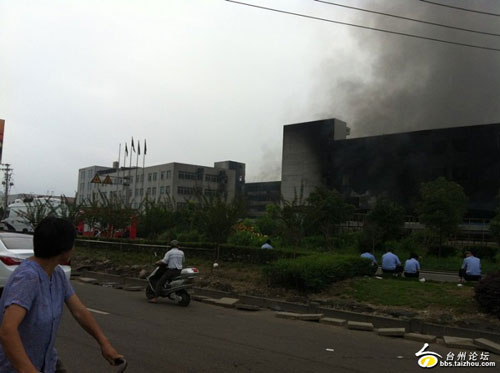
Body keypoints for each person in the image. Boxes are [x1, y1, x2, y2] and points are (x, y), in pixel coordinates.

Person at [0, 217, 123, 373]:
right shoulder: (28, 278)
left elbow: (79, 311)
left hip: (47, 361)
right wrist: (28, 370)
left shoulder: (57, 274)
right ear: (63, 249)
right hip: (17, 366)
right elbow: (7, 330)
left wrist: (104, 343)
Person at [149, 240, 185, 304]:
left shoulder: (169, 252)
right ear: (178, 246)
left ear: (171, 246)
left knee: (160, 282)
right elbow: (183, 261)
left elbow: (164, 261)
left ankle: (155, 299)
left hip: (171, 271)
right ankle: (168, 289)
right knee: (167, 280)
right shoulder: (181, 252)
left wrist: (157, 263)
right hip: (179, 271)